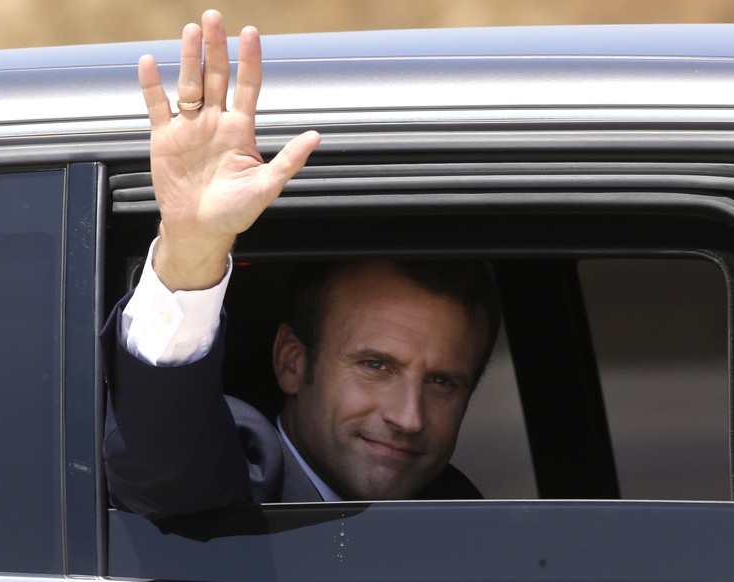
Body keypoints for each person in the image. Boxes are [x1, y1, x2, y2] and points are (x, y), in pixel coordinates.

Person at [102, 10, 500, 521]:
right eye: (375, 365)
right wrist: (192, 252)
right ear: (292, 360)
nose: (409, 417)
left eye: (443, 382)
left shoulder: (467, 518)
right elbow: (164, 469)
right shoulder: (243, 477)